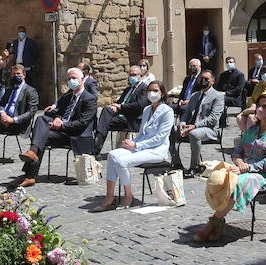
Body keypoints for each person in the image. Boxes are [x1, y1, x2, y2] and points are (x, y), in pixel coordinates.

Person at [194, 94, 266, 242]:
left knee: (236, 182)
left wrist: (246, 168)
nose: (259, 109)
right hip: (244, 168)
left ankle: (213, 223)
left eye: (265, 106)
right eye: (258, 105)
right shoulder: (252, 130)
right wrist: (239, 162)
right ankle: (218, 223)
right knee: (220, 177)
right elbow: (237, 151)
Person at [98, 79, 173, 210]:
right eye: (150, 90)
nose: (152, 93)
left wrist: (136, 146)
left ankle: (128, 196)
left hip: (157, 150)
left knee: (122, 162)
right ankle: (109, 196)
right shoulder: (147, 110)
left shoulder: (167, 111)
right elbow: (141, 133)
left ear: (162, 93)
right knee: (112, 155)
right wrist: (132, 142)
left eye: (155, 91)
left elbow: (160, 138)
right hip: (142, 146)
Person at [16, 67, 96, 186]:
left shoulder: (89, 99)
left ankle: (29, 171)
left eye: (74, 78)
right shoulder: (67, 96)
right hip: (62, 131)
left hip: (76, 135)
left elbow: (82, 123)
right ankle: (30, 173)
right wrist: (57, 117)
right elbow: (59, 112)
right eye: (69, 79)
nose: (71, 81)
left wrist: (61, 125)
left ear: (82, 79)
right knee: (41, 121)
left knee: (40, 135)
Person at [173, 69, 223, 176]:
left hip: (209, 130)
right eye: (201, 78)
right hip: (191, 126)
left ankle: (194, 167)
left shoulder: (217, 96)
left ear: (212, 81)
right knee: (171, 130)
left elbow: (213, 118)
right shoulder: (195, 95)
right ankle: (176, 162)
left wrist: (194, 126)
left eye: (206, 79)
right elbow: (187, 113)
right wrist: (182, 122)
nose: (203, 81)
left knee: (194, 133)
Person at [94, 65, 147, 155]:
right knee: (106, 111)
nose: (132, 77)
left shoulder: (144, 88)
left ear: (140, 75)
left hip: (132, 119)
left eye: (134, 75)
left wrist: (120, 107)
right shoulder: (128, 89)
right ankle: (96, 145)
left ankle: (96, 146)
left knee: (103, 124)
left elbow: (139, 105)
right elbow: (119, 102)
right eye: (130, 75)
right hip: (121, 116)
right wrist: (115, 106)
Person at [238, 66, 266, 132]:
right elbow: (252, 98)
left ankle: (254, 137)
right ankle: (247, 135)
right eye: (263, 73)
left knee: (251, 118)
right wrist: (253, 105)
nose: (265, 75)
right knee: (239, 117)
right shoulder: (258, 85)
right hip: (254, 108)